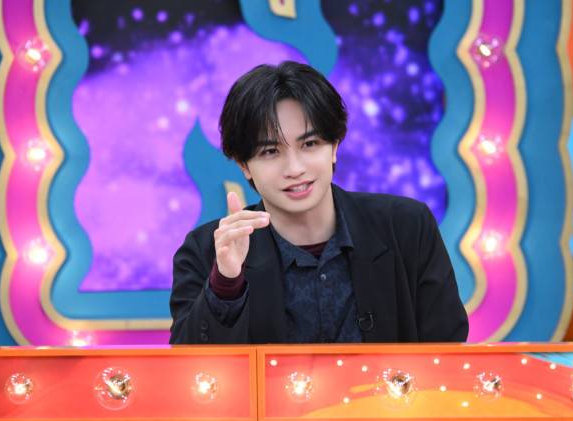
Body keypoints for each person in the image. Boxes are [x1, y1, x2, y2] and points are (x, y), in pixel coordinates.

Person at [169, 61, 468, 344]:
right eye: (270, 152)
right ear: (244, 165)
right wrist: (226, 284)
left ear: (334, 146)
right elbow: (192, 368)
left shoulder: (407, 228)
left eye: (310, 144)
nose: (295, 168)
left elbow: (448, 352)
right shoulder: (206, 251)